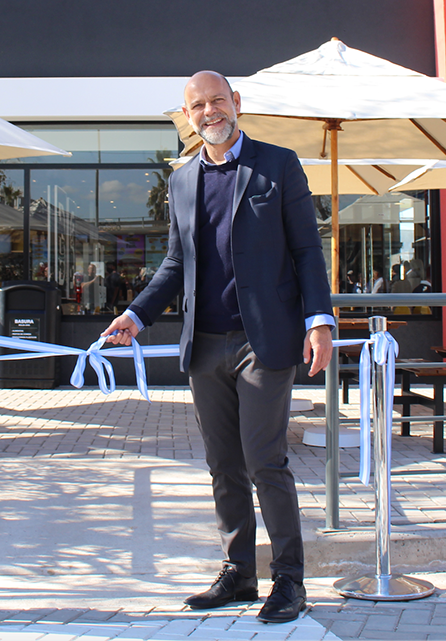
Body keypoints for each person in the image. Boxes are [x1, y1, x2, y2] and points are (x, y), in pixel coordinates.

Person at [103, 71, 332, 624]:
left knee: (264, 462)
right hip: (203, 344)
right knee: (222, 465)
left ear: (237, 103)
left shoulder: (278, 165)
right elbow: (176, 264)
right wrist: (136, 314)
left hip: (265, 340)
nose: (210, 111)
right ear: (188, 115)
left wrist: (318, 321)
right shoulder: (181, 180)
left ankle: (290, 580)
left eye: (218, 100)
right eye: (198, 105)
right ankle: (239, 574)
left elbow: (306, 249)